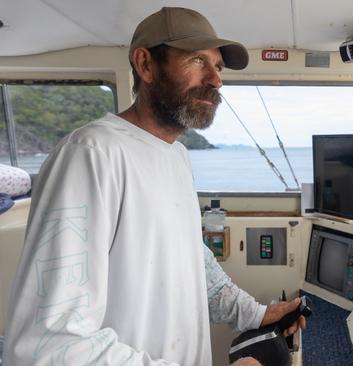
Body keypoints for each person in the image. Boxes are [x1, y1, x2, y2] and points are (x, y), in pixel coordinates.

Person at [2, 7, 305, 366]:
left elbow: (192, 260)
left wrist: (255, 314)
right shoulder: (90, 155)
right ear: (145, 65)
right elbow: (49, 345)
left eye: (218, 66)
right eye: (197, 61)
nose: (215, 80)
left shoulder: (177, 156)